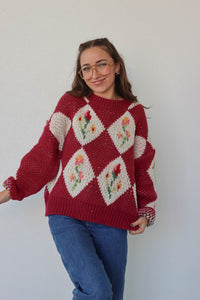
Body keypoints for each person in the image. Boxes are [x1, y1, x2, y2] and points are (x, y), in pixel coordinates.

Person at [0, 38, 157, 300]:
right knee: (97, 292)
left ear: (117, 66)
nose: (94, 74)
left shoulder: (134, 113)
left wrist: (147, 209)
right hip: (67, 214)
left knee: (113, 295)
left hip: (114, 217)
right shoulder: (72, 103)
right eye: (86, 68)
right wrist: (9, 190)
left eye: (101, 64)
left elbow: (142, 164)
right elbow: (44, 151)